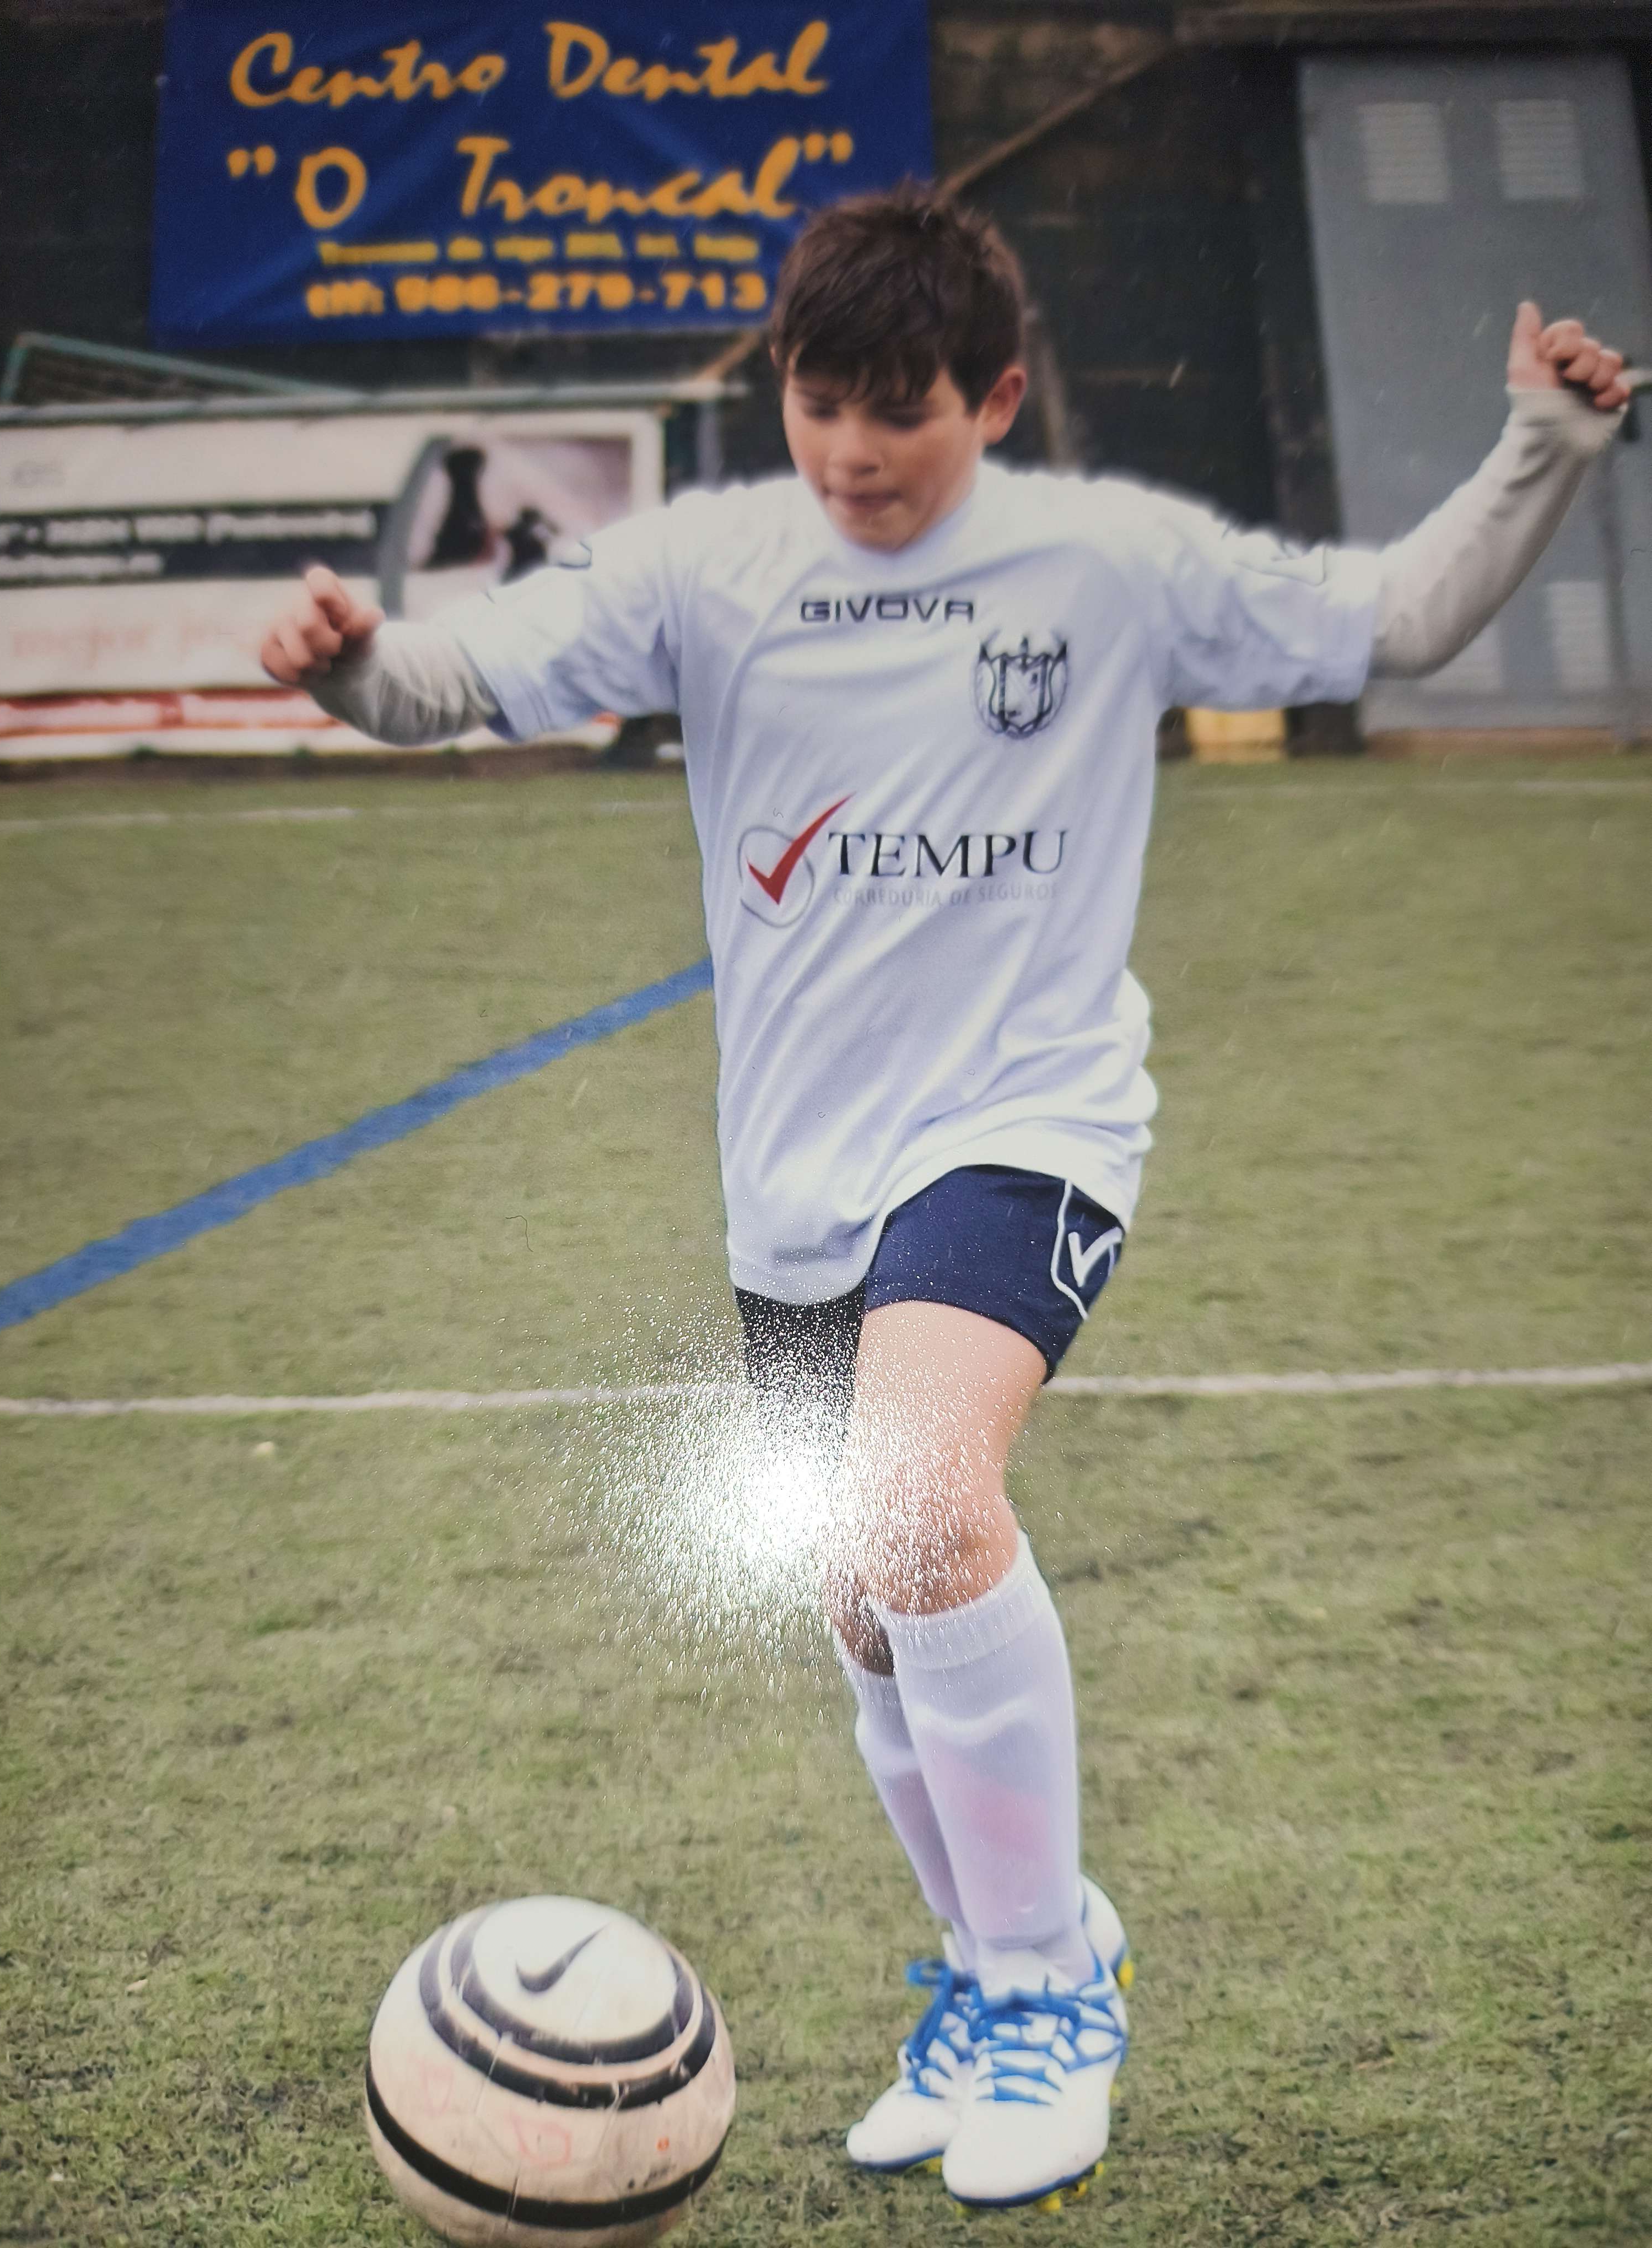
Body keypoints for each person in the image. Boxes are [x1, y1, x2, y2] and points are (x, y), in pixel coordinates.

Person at [260, 186, 1629, 2213]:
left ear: (989, 399)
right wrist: (352, 660)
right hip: (794, 1178)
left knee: (920, 1501)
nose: (852, 453)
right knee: (869, 1606)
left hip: (1023, 1119)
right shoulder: (706, 564)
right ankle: (1001, 1975)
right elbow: (453, 680)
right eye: (819, 406)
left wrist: (1543, 441)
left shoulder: (1106, 559)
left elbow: (1396, 618)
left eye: (897, 412)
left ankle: (1050, 1994)